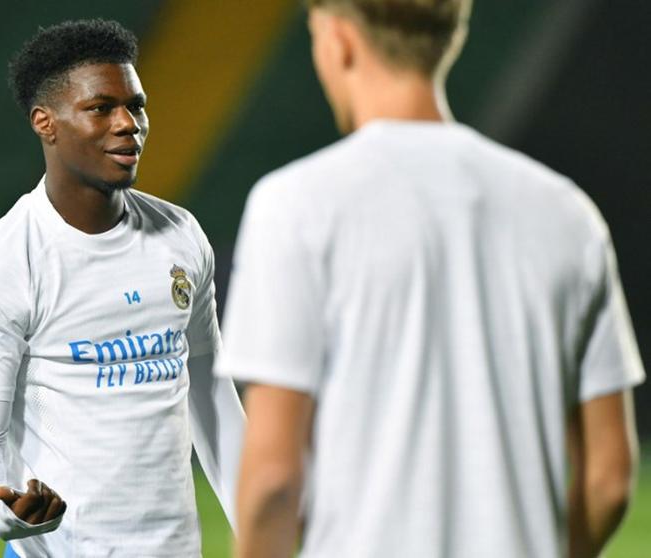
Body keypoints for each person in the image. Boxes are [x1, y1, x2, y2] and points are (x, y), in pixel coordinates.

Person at [215, 1, 645, 557]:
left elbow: (274, 480)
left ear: (339, 40)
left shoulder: (296, 206)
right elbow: (609, 476)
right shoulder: (568, 214)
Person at [0, 19, 244, 557]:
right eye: (101, 108)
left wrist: (260, 526)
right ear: (46, 123)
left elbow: (210, 394)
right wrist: (7, 513)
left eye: (136, 106)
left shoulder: (181, 236)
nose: (129, 124)